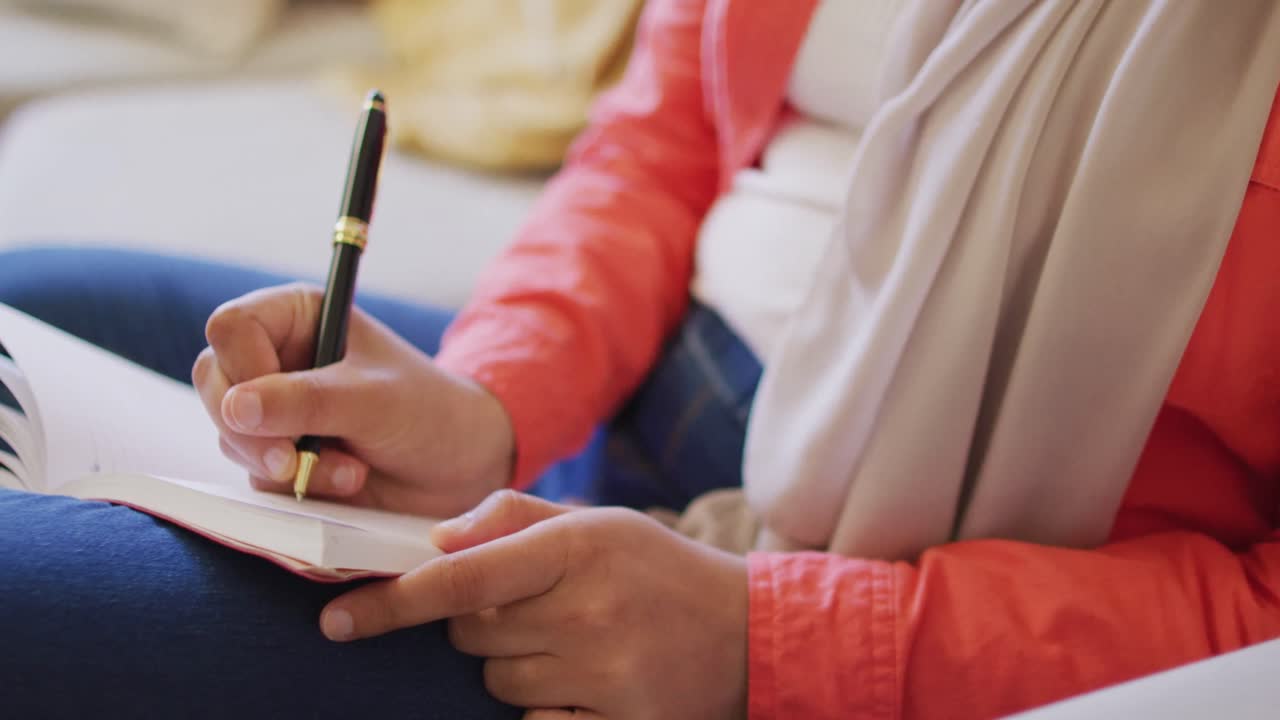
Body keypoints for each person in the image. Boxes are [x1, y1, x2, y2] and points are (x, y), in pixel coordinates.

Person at [3, 0, 1280, 718]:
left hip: (839, 602)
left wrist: (762, 638)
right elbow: (657, 141)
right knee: (26, 296)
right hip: (615, 414)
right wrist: (491, 398)